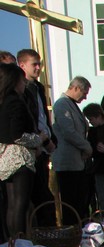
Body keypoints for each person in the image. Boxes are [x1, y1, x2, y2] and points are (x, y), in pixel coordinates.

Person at [0, 63, 42, 242]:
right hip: (19, 158)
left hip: (5, 157)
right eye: (22, 81)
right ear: (15, 81)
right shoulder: (15, 102)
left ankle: (13, 241)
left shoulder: (3, 101)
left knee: (12, 204)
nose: (24, 84)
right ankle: (20, 241)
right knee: (20, 204)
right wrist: (38, 139)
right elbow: (17, 135)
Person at [16, 49, 56, 227]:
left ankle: (48, 231)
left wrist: (51, 138)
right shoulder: (22, 89)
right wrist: (41, 141)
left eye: (39, 64)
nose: (38, 68)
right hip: (34, 145)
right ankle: (43, 231)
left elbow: (43, 115)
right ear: (22, 65)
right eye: (34, 64)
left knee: (44, 192)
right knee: (39, 195)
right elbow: (30, 118)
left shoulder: (38, 87)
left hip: (44, 143)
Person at [51, 76, 93, 221]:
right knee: (71, 202)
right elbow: (68, 131)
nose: (85, 97)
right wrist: (86, 147)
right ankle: (73, 229)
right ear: (75, 88)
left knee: (80, 201)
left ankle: (79, 227)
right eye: (84, 93)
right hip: (67, 162)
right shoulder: (62, 104)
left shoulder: (72, 104)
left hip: (77, 162)